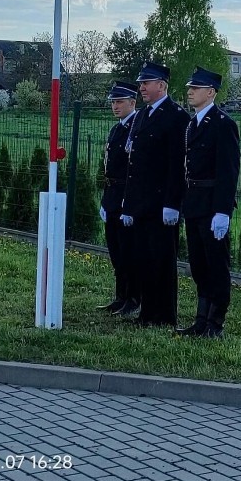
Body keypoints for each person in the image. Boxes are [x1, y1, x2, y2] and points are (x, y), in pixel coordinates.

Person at [121, 62, 190, 327]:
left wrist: (173, 203)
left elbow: (176, 164)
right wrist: (129, 201)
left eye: (146, 84)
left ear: (161, 85)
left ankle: (163, 315)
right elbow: (134, 163)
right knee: (144, 259)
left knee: (162, 260)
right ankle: (147, 312)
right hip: (141, 202)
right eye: (140, 84)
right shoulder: (142, 115)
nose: (141, 88)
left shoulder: (176, 116)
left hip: (162, 202)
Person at [176, 67, 240, 338]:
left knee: (216, 265)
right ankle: (201, 320)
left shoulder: (223, 124)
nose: (190, 91)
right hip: (194, 203)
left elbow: (228, 171)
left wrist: (222, 211)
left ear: (211, 92)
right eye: (190, 87)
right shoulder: (193, 124)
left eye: (196, 88)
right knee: (199, 265)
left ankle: (216, 322)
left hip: (213, 205)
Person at [98, 81, 140, 315]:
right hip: (113, 195)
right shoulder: (117, 129)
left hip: (126, 196)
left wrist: (129, 201)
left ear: (132, 103)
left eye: (120, 102)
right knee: (115, 250)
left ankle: (133, 298)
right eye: (113, 102)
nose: (115, 106)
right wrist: (105, 200)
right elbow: (109, 168)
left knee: (128, 252)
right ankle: (120, 296)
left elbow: (132, 169)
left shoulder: (136, 126)